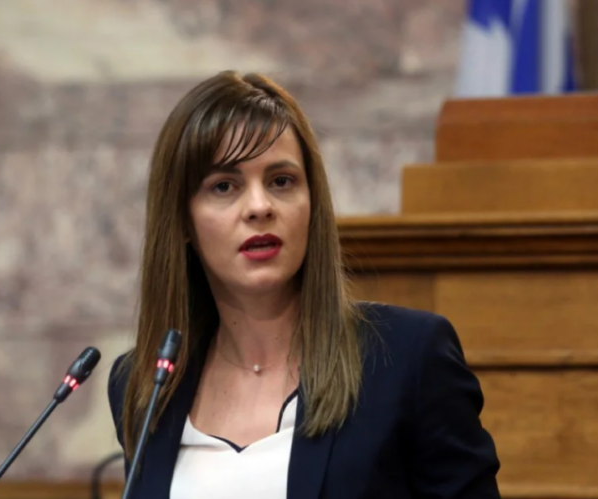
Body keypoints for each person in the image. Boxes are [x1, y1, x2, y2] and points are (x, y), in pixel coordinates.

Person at [107, 70, 501, 499]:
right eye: (224, 186)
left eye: (281, 181)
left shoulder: (408, 358)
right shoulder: (145, 384)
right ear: (182, 221)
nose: (259, 207)